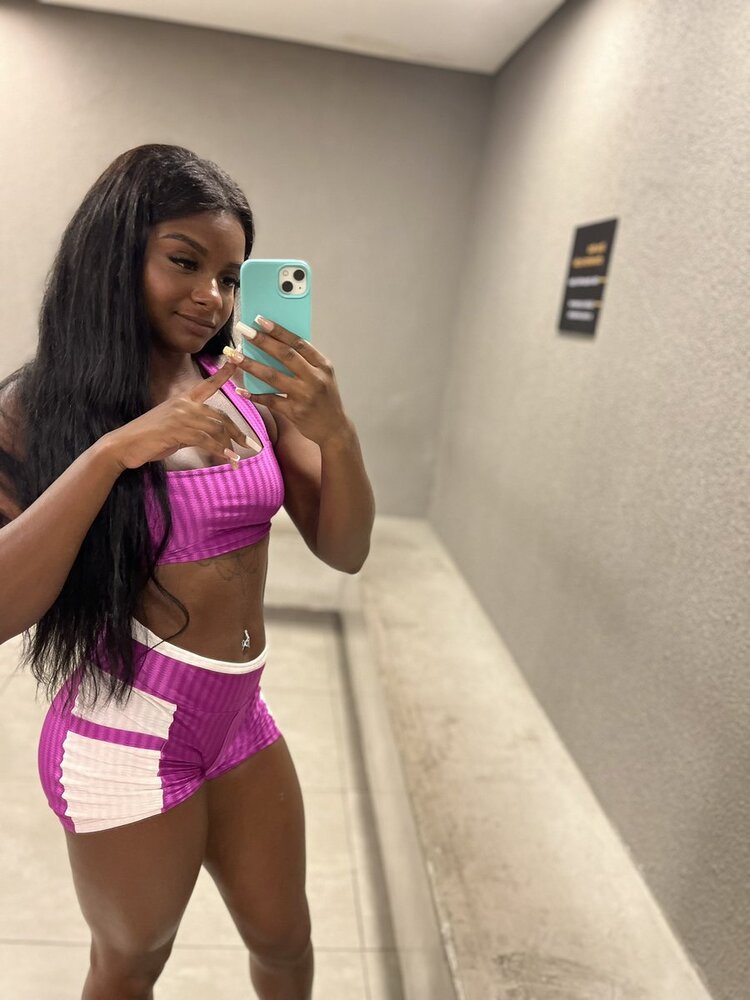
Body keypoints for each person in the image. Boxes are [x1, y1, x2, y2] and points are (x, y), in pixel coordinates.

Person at [0, 143, 375, 1000]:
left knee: (286, 942)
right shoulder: (32, 411)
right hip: (127, 732)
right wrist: (114, 453)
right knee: (132, 963)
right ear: (115, 256)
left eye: (231, 277)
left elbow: (346, 549)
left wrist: (337, 434)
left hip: (239, 718)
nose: (213, 297)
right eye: (185, 262)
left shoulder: (246, 387)